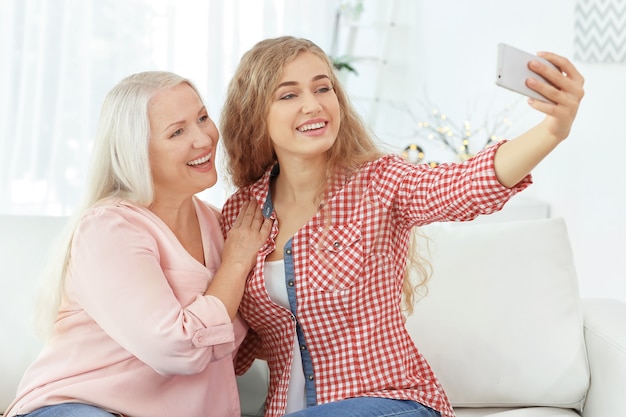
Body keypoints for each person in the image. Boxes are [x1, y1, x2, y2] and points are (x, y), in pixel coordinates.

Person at [219, 36, 584, 417]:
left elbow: (465, 186)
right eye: (289, 95)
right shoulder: (240, 215)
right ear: (255, 113)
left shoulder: (379, 183)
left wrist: (552, 131)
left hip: (394, 402)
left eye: (323, 87)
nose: (313, 104)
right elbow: (231, 342)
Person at [4, 71, 272, 417]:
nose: (203, 139)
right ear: (137, 152)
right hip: (79, 407)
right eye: (177, 131)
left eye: (203, 118)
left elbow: (253, 338)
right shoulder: (110, 228)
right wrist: (236, 262)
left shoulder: (222, 226)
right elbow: (177, 349)